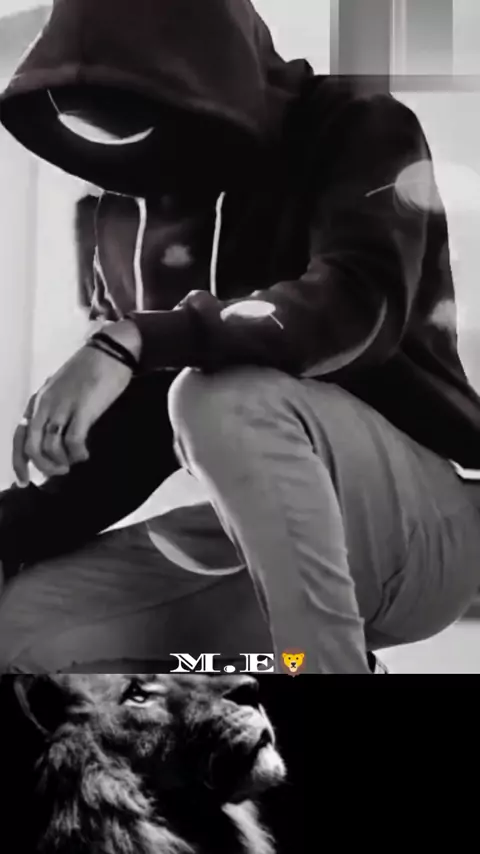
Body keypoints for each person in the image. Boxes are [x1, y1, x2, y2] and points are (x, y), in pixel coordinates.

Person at [1, 0, 480, 675]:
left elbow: (353, 308)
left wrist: (131, 339)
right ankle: (274, 670)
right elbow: (135, 442)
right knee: (22, 629)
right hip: (266, 541)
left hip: (427, 527)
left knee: (220, 397)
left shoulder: (357, 124)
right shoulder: (122, 214)